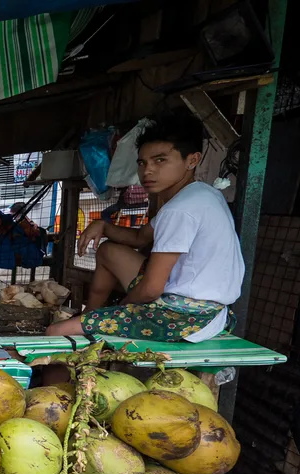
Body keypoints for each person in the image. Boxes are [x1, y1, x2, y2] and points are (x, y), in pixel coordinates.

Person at [46, 112, 243, 342]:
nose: (147, 170)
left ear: (192, 160)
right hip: (209, 310)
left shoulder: (179, 209)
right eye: (143, 162)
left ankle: (87, 332)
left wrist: (116, 314)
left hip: (185, 319)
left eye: (160, 160)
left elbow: (151, 288)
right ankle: (89, 316)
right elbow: (140, 237)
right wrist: (104, 226)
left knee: (55, 332)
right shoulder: (202, 194)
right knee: (108, 251)